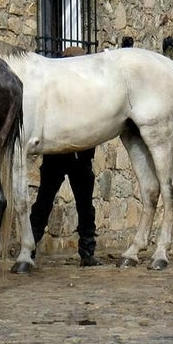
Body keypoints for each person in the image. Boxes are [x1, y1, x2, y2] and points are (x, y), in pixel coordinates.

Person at [29, 45, 101, 266]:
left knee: (84, 206)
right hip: (58, 155)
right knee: (44, 202)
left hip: (79, 155)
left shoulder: (87, 92)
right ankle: (28, 249)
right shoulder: (59, 91)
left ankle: (87, 252)